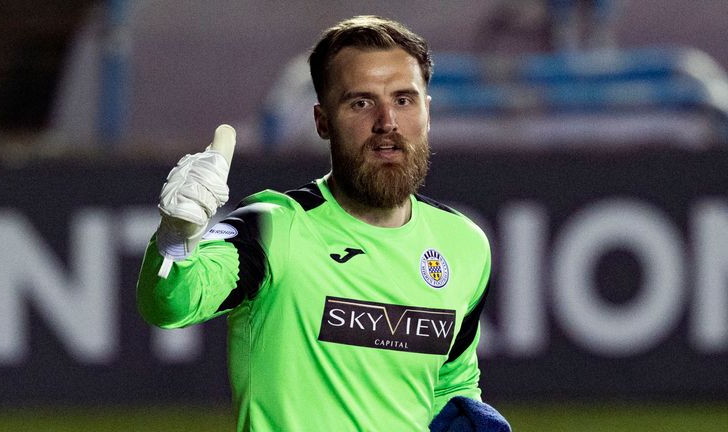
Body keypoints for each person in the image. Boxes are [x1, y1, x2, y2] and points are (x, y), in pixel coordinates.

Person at [137, 15, 510, 432]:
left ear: (427, 111)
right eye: (361, 102)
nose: (387, 122)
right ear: (323, 121)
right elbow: (170, 304)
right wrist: (175, 238)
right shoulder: (274, 227)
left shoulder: (464, 244)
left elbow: (451, 384)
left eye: (404, 100)